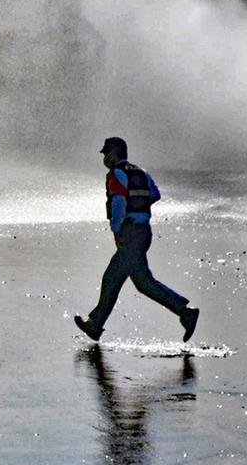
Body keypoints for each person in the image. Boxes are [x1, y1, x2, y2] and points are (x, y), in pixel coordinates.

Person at [75, 137, 199, 342]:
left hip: (129, 234)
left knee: (140, 282)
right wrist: (140, 207)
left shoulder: (116, 173)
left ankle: (186, 312)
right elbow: (155, 194)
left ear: (114, 153)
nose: (105, 157)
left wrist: (116, 228)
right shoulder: (141, 172)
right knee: (117, 279)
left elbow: (118, 202)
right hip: (143, 232)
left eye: (106, 153)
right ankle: (95, 324)